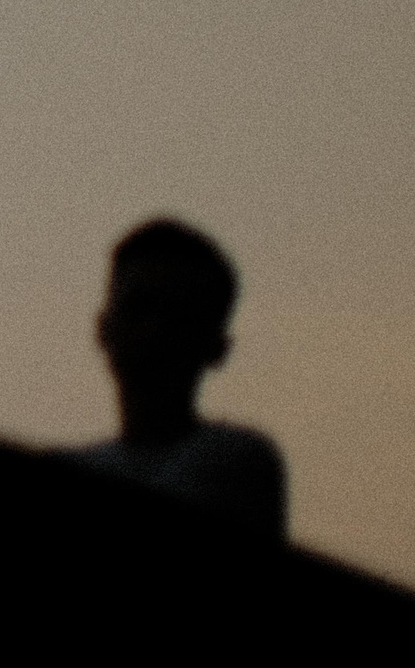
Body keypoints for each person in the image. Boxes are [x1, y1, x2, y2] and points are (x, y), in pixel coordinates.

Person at [61, 219, 287, 539]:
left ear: (216, 347)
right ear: (104, 326)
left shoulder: (234, 461)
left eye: (180, 317)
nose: (154, 332)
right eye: (139, 308)